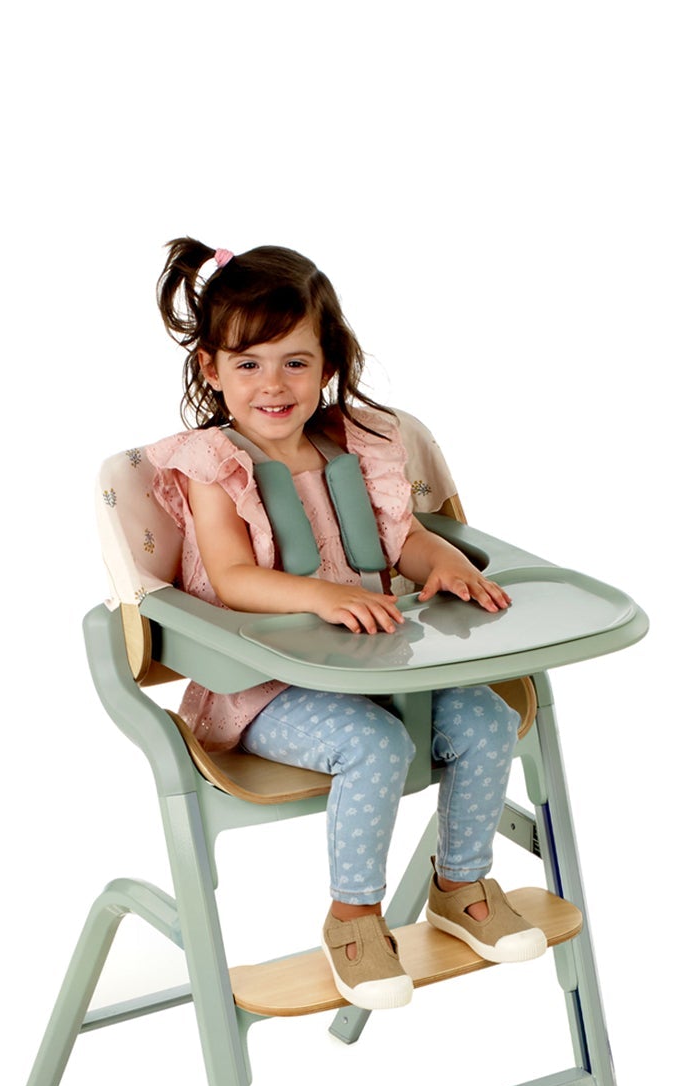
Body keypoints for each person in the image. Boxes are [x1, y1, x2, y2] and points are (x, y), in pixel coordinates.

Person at [145, 238, 546, 1010]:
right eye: (249, 363)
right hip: (265, 688)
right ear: (211, 369)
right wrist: (320, 597)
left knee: (489, 719)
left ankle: (462, 887)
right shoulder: (212, 467)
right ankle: (355, 920)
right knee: (375, 746)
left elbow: (402, 537)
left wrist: (441, 563)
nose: (273, 384)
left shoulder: (358, 446)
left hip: (385, 672)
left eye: (295, 361)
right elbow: (230, 576)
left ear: (327, 362)